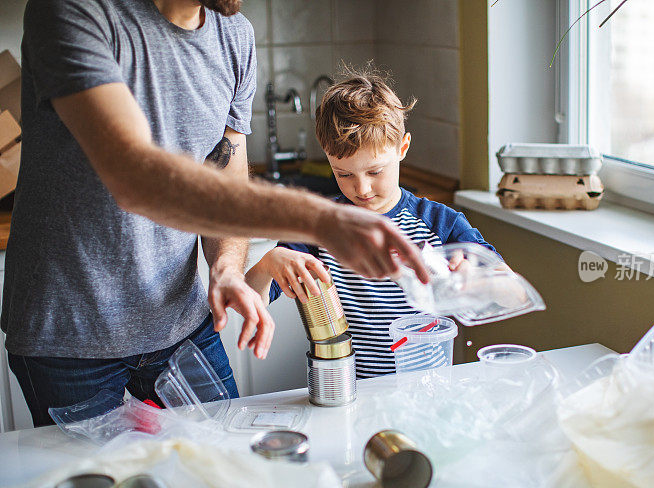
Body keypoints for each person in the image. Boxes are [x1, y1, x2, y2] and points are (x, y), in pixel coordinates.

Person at [3, 0, 427, 427]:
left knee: (228, 461)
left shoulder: (234, 36)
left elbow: (227, 174)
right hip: (68, 334)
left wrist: (226, 267)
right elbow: (135, 177)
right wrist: (322, 218)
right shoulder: (74, 11)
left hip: (180, 320)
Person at [246, 70, 502, 378]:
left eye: (375, 171)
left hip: (425, 386)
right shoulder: (321, 228)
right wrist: (267, 263)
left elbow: (508, 290)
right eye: (344, 174)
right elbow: (252, 294)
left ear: (403, 148)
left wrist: (476, 279)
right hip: (350, 389)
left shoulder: (440, 223)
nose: (362, 189)